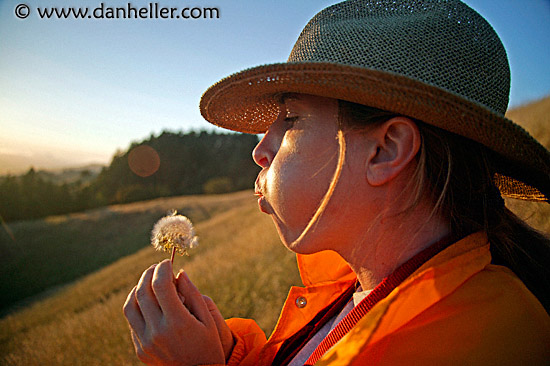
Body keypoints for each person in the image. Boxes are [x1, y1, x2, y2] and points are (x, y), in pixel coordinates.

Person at [123, 0, 550, 365]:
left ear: (385, 150)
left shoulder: (471, 343)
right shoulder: (366, 286)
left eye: (290, 120)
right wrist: (231, 355)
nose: (260, 151)